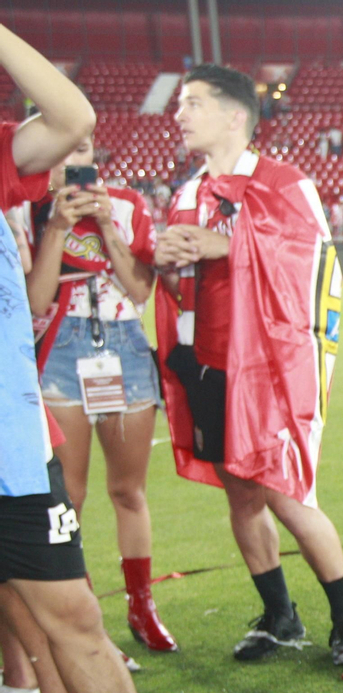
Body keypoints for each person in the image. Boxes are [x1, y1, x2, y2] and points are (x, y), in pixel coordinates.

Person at [0, 22, 252, 693]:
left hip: (15, 439)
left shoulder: (12, 164)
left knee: (75, 612)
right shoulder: (28, 200)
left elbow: (71, 115)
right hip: (39, 400)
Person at [151, 64, 343, 665]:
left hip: (269, 370)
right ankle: (280, 617)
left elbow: (315, 266)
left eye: (193, 103)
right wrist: (167, 263)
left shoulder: (285, 182)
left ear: (234, 117)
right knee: (242, 498)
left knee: (287, 494)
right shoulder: (188, 194)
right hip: (210, 365)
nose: (179, 114)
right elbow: (182, 287)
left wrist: (226, 246)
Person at [19, 134, 178, 655]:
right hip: (61, 349)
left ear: (95, 156)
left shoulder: (127, 205)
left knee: (129, 491)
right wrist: (57, 228)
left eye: (81, 149)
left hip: (124, 348)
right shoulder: (31, 208)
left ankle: (141, 606)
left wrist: (108, 226)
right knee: (70, 497)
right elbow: (36, 299)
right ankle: (83, 617)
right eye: (61, 151)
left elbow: (140, 288)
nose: (72, 161)